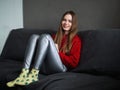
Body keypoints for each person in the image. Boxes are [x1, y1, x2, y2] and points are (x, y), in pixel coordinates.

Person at [7, 10, 82, 87]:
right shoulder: (55, 36)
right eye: (64, 20)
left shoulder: (76, 40)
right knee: (34, 37)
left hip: (61, 68)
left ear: (73, 24)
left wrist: (58, 53)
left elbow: (74, 63)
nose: (66, 23)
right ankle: (23, 73)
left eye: (69, 21)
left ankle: (34, 74)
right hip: (46, 66)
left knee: (45, 37)